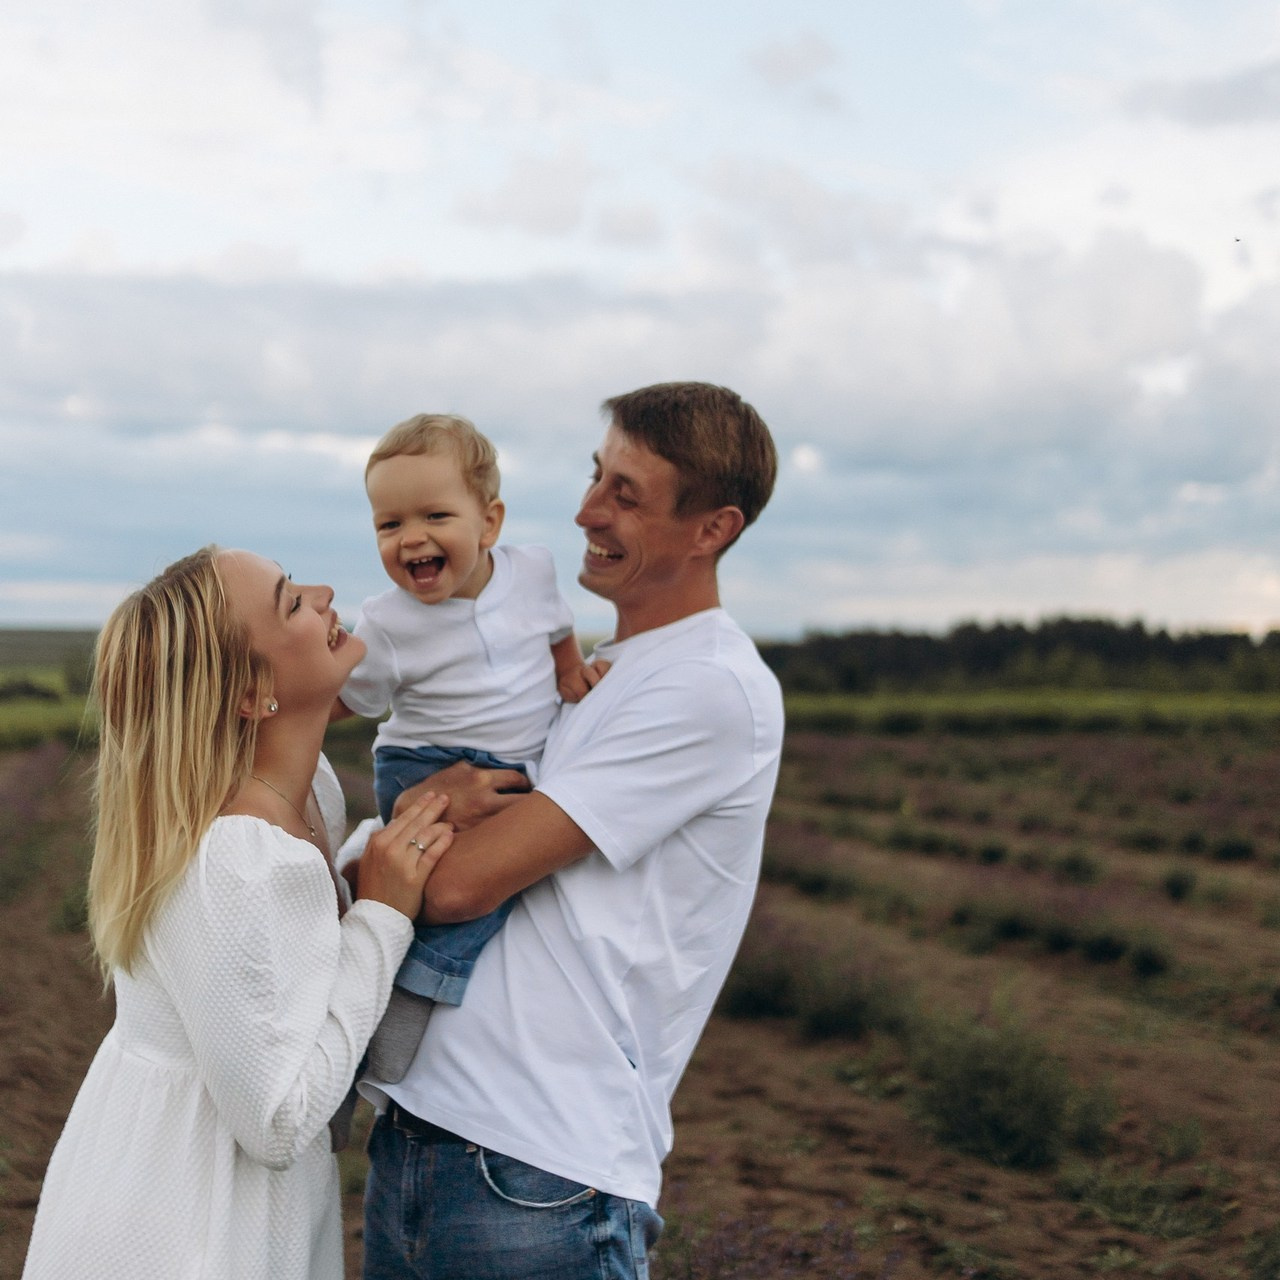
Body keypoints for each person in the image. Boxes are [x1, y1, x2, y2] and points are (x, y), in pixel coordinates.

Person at [358, 381, 785, 1280]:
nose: (589, 507)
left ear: (713, 528)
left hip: (535, 1169)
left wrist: (392, 834)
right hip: (430, 1134)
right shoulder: (602, 677)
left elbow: (455, 885)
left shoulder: (705, 686)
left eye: (626, 493)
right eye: (597, 476)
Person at [22, 547, 454, 1280]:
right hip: (188, 1227)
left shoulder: (309, 791)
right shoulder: (235, 860)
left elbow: (294, 962)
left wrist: (380, 845)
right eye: (291, 601)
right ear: (254, 694)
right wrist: (381, 917)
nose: (323, 594)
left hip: (196, 1191)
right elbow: (278, 1120)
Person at [336, 413, 601, 1082]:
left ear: (490, 523)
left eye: (434, 516)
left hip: (514, 767)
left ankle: (368, 910)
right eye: (389, 525)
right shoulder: (387, 622)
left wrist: (570, 671)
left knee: (505, 880)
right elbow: (349, 698)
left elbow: (558, 628)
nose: (411, 538)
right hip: (426, 763)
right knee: (464, 896)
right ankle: (399, 1007)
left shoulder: (534, 572)